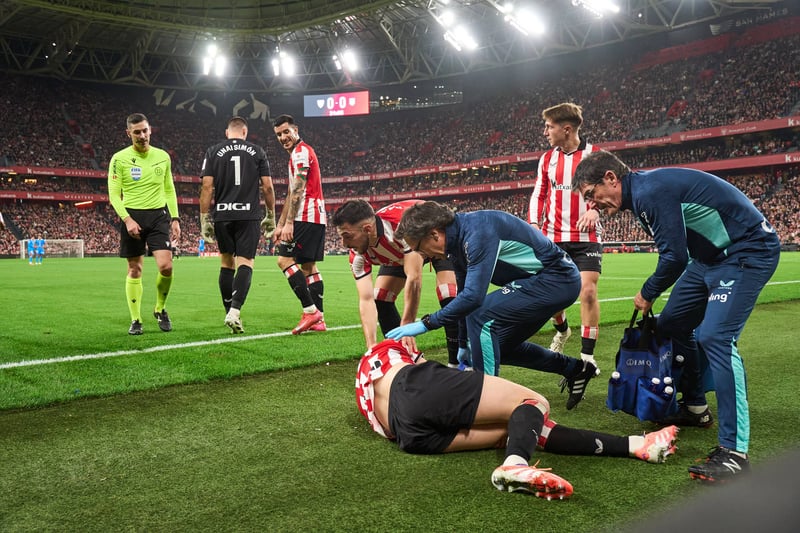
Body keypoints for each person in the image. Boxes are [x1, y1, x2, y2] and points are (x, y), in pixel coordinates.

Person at [572, 149, 781, 483]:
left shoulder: (649, 193)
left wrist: (647, 292)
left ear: (610, 178)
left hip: (747, 250)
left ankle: (735, 453)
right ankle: (696, 407)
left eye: (590, 194)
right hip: (709, 260)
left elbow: (674, 258)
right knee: (670, 325)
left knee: (716, 337)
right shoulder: (641, 193)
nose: (591, 203)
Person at [356, 339, 680, 499]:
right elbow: (422, 365)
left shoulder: (365, 390)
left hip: (408, 436)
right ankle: (514, 464)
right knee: (532, 403)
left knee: (520, 429)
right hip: (414, 388)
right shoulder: (388, 348)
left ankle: (636, 445)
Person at [385, 201, 599, 410]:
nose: (423, 256)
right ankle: (576, 369)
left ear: (434, 234)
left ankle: (485, 400)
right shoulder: (457, 242)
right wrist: (462, 343)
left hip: (558, 280)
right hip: (545, 282)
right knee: (496, 348)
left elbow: (473, 298)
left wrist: (427, 323)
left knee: (480, 315)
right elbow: (463, 294)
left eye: (419, 248)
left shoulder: (477, 232)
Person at [332, 199, 463, 365]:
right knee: (380, 297)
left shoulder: (399, 227)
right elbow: (366, 299)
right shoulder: (357, 256)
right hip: (402, 256)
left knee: (448, 293)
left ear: (367, 229)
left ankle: (458, 363)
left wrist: (407, 325)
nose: (344, 244)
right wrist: (371, 347)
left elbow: (414, 277)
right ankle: (404, 355)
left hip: (434, 240)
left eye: (347, 236)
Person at [528, 103, 602, 371]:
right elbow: (539, 194)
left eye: (549, 127)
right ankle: (562, 331)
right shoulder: (547, 159)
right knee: (552, 295)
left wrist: (595, 210)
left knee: (588, 291)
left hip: (586, 237)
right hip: (553, 237)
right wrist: (533, 224)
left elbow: (609, 189)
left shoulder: (595, 156)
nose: (545, 131)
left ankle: (587, 356)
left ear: (567, 129)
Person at [200, 115, 276, 334]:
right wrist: (271, 214)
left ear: (227, 133)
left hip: (223, 215)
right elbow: (268, 187)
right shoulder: (257, 151)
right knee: (246, 262)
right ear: (245, 132)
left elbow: (207, 187)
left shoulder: (213, 151)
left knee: (226, 263)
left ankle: (228, 311)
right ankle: (234, 312)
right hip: (248, 215)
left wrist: (204, 218)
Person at [108, 112, 180, 335]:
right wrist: (127, 219)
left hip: (158, 215)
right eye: (137, 132)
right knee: (135, 269)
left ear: (150, 130)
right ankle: (136, 319)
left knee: (166, 267)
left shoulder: (163, 157)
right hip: (132, 215)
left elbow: (169, 189)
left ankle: (160, 308)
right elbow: (114, 195)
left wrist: (175, 218)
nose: (142, 135)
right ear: (128, 133)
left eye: (145, 130)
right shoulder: (119, 159)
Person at [272, 114, 326, 334]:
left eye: (286, 132)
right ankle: (319, 320)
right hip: (314, 216)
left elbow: (298, 188)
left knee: (284, 260)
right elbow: (290, 192)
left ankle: (310, 311)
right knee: (309, 267)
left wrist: (289, 224)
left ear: (296, 130)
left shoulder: (301, 152)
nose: (283, 137)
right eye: (279, 134)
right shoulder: (298, 153)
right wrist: (280, 224)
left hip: (305, 215)